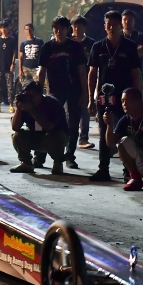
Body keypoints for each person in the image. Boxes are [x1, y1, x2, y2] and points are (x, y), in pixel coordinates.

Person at [87, 11, 142, 181]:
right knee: (105, 131)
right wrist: (91, 98)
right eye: (108, 25)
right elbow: (92, 73)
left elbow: (135, 73)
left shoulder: (130, 46)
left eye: (115, 25)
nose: (111, 28)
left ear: (121, 26)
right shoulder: (98, 47)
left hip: (125, 98)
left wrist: (137, 98)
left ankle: (129, 171)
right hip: (105, 98)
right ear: (104, 27)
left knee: (127, 132)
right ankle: (103, 169)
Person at [39, 16, 89, 170]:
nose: (58, 32)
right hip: (54, 91)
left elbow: (82, 71)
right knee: (49, 122)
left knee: (73, 124)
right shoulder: (47, 47)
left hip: (74, 91)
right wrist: (39, 93)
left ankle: (70, 156)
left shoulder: (75, 47)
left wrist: (85, 92)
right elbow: (41, 72)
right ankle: (40, 156)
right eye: (56, 29)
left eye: (61, 29)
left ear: (68, 30)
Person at [10, 81, 69, 175]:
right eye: (26, 96)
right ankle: (26, 163)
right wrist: (18, 109)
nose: (29, 99)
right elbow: (15, 127)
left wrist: (32, 111)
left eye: (31, 96)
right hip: (36, 136)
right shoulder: (25, 105)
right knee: (17, 135)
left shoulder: (52, 103)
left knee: (55, 137)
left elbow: (49, 127)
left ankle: (58, 162)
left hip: (55, 137)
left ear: (40, 95)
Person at [72, 15, 96, 150]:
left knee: (85, 111)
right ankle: (70, 138)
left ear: (84, 27)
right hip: (70, 83)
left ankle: (83, 139)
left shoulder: (91, 44)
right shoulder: (69, 42)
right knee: (69, 113)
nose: (76, 29)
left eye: (79, 26)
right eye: (74, 26)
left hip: (86, 82)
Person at [0, 20, 17, 113]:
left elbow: (14, 53)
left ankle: (11, 104)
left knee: (10, 86)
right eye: (2, 28)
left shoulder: (12, 40)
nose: (4, 29)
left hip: (8, 66)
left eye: (5, 27)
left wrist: (12, 64)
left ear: (8, 28)